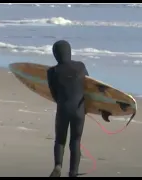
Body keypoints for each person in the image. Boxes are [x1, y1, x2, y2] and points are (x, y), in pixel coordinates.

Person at [47, 40, 89, 177]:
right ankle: (73, 172)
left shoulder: (52, 71)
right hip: (78, 109)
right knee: (75, 140)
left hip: (63, 108)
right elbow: (89, 87)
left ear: (55, 54)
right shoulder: (81, 67)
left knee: (60, 139)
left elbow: (53, 94)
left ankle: (58, 166)